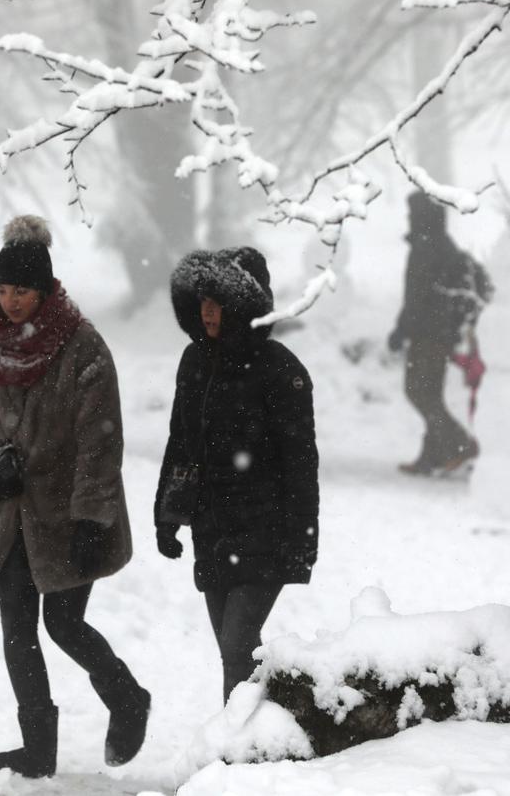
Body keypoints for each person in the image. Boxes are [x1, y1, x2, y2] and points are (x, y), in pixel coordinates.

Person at [0, 215, 149, 778]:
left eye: (22, 291)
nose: (10, 301)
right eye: (3, 290)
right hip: (5, 514)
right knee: (16, 629)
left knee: (63, 623)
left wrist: (90, 517)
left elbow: (100, 440)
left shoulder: (82, 346)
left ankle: (127, 698)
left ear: (45, 289)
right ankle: (38, 748)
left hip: (65, 513)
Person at [153, 247, 319, 703]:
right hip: (212, 530)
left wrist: (304, 539)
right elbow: (179, 442)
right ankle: (271, 726)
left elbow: (301, 462)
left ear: (244, 305)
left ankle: (237, 756)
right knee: (235, 649)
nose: (208, 311)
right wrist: (165, 516)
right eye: (202, 300)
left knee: (237, 646)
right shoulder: (194, 363)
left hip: (265, 530)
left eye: (218, 301)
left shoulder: (281, 370)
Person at [387, 191, 491, 476]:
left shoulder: (426, 247)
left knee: (419, 391)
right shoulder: (443, 244)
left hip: (428, 333)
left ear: (423, 216)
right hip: (440, 332)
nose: (409, 218)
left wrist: (400, 329)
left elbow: (416, 297)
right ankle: (431, 456)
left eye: (412, 213)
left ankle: (460, 444)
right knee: (430, 393)